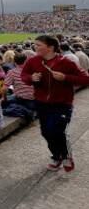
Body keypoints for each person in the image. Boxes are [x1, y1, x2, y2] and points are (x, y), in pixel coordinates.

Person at [21, 34, 89, 172]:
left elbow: (85, 79)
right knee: (45, 131)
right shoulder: (32, 61)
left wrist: (65, 77)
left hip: (62, 102)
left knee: (57, 131)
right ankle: (56, 156)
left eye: (39, 45)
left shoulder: (67, 62)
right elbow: (23, 77)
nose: (35, 47)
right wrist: (31, 78)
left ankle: (66, 156)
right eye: (35, 44)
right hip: (41, 102)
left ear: (51, 48)